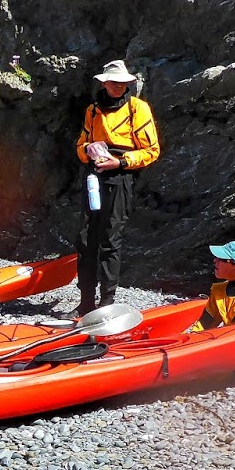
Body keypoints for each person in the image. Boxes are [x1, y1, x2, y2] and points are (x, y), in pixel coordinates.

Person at [74, 59, 160, 315]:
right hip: (94, 176)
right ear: (104, 83)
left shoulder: (138, 109)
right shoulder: (92, 110)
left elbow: (152, 150)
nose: (118, 86)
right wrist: (88, 151)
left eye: (122, 83)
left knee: (111, 239)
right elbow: (81, 145)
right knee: (85, 238)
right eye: (113, 82)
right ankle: (85, 303)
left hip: (121, 177)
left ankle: (107, 303)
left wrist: (120, 161)